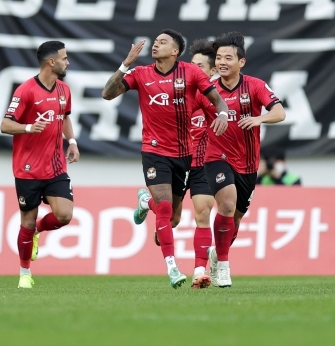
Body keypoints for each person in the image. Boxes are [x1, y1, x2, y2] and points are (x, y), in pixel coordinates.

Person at [101, 31, 229, 288]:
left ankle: (145, 202)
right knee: (166, 209)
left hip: (185, 156)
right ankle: (172, 267)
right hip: (154, 151)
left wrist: (223, 115)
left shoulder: (191, 74)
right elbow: (107, 93)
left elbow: (217, 101)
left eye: (163, 42)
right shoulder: (140, 74)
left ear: (175, 51)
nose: (156, 44)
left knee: (172, 219)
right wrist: (125, 64)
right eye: (156, 41)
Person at [203, 32, 286, 288]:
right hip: (216, 156)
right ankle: (225, 269)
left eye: (228, 57)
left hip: (248, 165)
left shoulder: (255, 86)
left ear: (242, 62)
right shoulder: (207, 89)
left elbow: (280, 112)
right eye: (218, 58)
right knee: (226, 205)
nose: (222, 62)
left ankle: (218, 255)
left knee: (235, 219)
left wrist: (259, 118)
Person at [0, 41, 80, 290]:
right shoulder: (25, 91)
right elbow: (4, 125)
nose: (68, 62)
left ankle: (37, 233)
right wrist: (27, 128)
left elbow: (64, 117)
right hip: (27, 169)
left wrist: (72, 141)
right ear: (51, 62)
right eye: (64, 58)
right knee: (27, 220)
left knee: (64, 215)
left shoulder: (64, 90)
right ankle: (25, 273)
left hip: (55, 167)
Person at [182, 39, 220, 288]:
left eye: (199, 66)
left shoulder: (215, 98)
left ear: (212, 71)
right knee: (172, 219)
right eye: (191, 65)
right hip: (176, 162)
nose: (193, 70)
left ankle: (199, 271)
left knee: (202, 214)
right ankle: (149, 202)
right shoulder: (180, 94)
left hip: (203, 165)